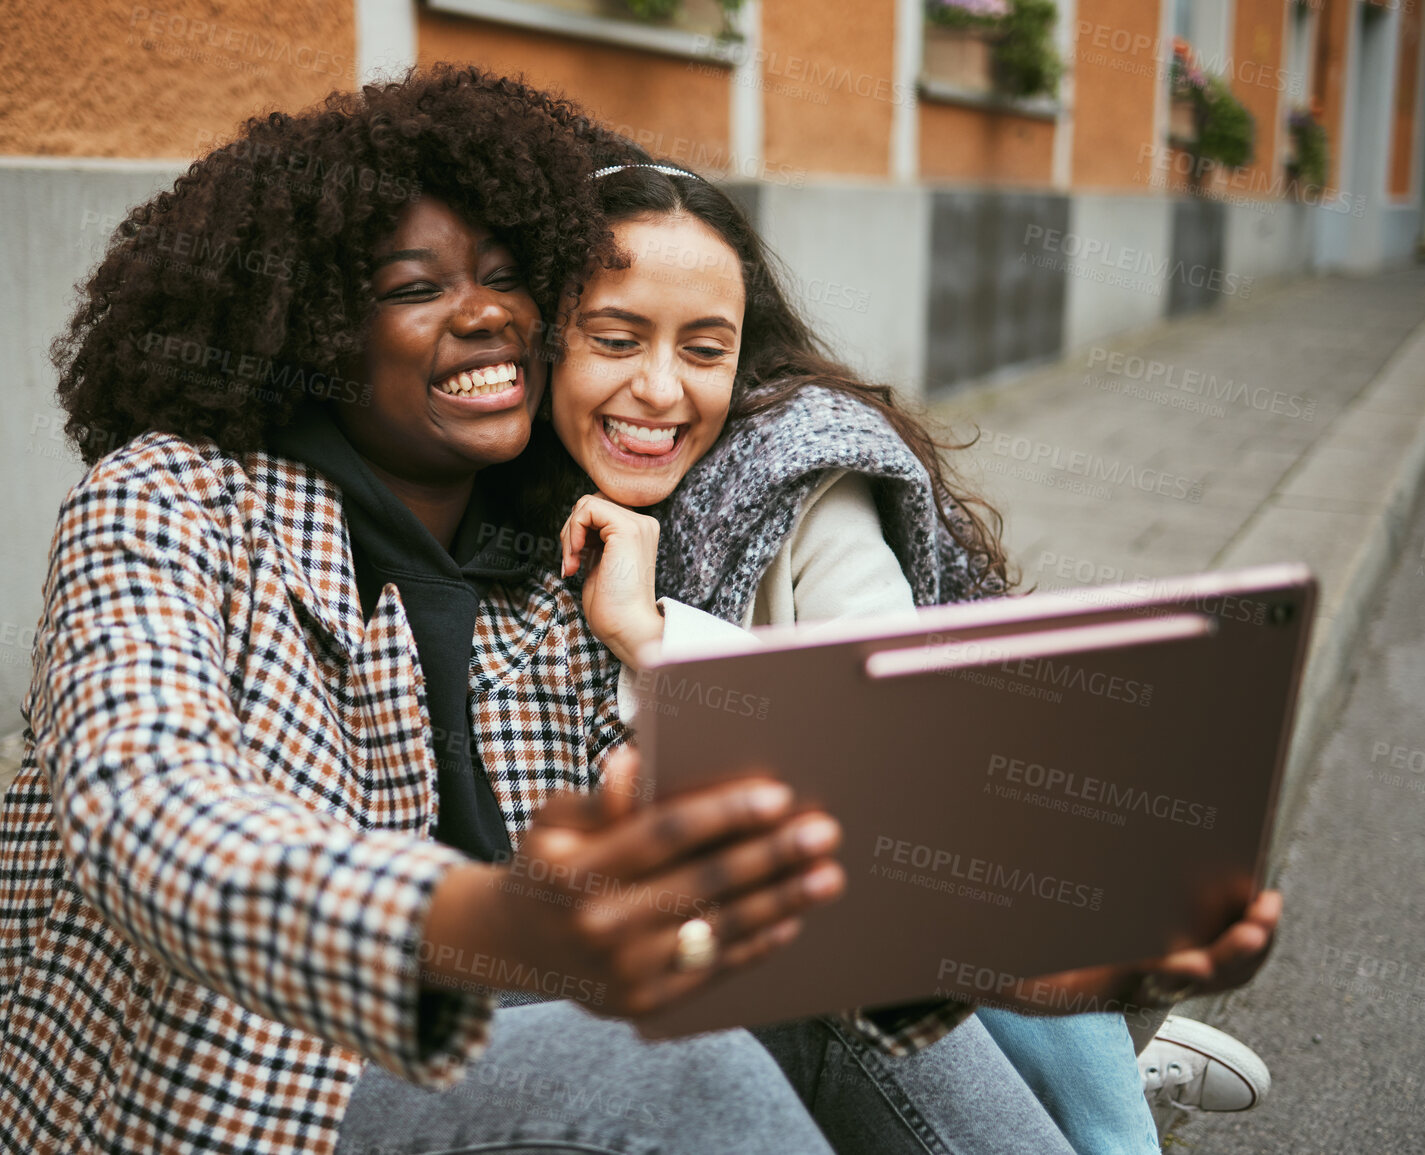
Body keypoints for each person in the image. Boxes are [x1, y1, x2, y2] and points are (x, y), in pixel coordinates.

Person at [0, 68, 860, 1155]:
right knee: (684, 1077)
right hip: (247, 1076)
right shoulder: (169, 502)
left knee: (839, 971)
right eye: (412, 287)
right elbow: (149, 812)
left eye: (505, 276)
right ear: (311, 327)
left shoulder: (554, 547)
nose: (484, 313)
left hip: (498, 1020)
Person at [543, 153, 1280, 1154]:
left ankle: (1114, 1124)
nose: (660, 389)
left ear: (744, 356)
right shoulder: (510, 492)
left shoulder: (800, 478)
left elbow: (899, 763)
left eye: (704, 350)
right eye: (616, 338)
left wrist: (651, 634)